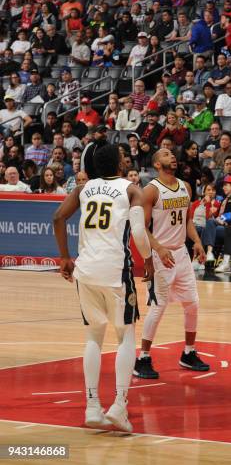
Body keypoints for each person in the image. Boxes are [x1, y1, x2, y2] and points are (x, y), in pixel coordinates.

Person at [52, 144, 153, 432]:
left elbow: (58, 217)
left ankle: (92, 407)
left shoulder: (84, 188)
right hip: (115, 271)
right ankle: (120, 406)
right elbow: (136, 231)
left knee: (93, 337)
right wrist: (147, 259)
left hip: (86, 270)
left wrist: (64, 257)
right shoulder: (131, 188)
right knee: (125, 336)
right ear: (120, 164)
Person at [133, 148, 210, 379]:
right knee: (158, 307)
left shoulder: (185, 187)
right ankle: (143, 358)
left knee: (192, 304)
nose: (172, 156)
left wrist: (196, 241)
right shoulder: (151, 191)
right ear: (157, 164)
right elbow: (142, 228)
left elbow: (187, 221)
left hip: (181, 254)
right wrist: (158, 248)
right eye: (165, 154)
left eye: (172, 153)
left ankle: (188, 352)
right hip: (160, 256)